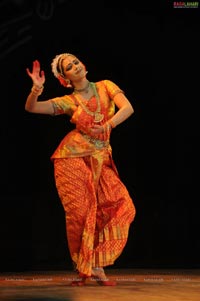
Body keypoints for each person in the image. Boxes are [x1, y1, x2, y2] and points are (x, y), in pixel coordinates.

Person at [25, 53, 136, 286]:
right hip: (71, 157)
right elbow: (33, 108)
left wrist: (107, 125)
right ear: (65, 78)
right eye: (69, 67)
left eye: (76, 62)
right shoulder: (70, 101)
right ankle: (85, 268)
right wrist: (36, 89)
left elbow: (128, 109)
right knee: (82, 213)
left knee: (121, 205)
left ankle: (95, 263)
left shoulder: (106, 86)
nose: (75, 66)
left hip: (100, 157)